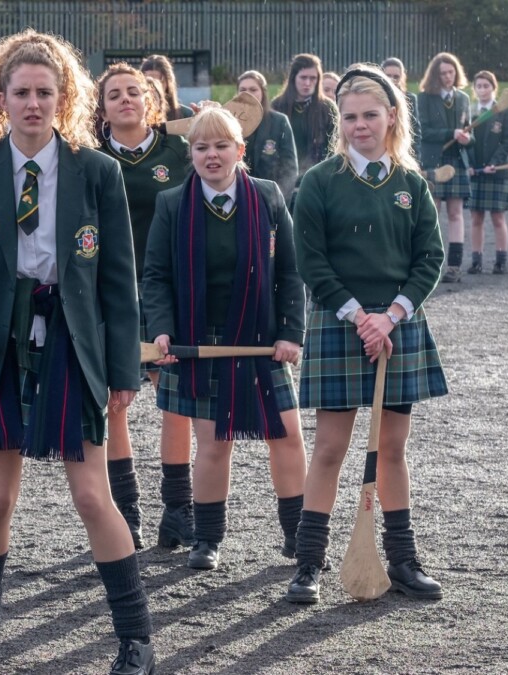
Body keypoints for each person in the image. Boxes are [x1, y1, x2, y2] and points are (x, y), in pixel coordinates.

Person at [0, 30, 155, 675]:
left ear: (64, 99)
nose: (33, 103)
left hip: (70, 336)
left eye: (44, 92)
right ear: (0, 98)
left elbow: (118, 279)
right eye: (21, 92)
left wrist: (123, 369)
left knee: (91, 496)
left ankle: (136, 638)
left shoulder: (97, 171)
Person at [287, 65, 448, 604]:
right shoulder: (320, 181)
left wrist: (391, 315)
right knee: (330, 448)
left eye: (370, 115)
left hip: (398, 325)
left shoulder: (411, 184)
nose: (360, 125)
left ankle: (402, 560)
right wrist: (360, 316)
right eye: (350, 116)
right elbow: (311, 261)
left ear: (392, 117)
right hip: (340, 322)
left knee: (392, 448)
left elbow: (430, 258)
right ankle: (308, 564)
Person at [141, 108, 306, 571]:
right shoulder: (172, 203)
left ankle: (298, 535)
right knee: (214, 443)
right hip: (200, 342)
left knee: (287, 435)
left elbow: (291, 271)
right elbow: (155, 276)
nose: (211, 155)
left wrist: (291, 332)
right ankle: (208, 538)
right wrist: (160, 328)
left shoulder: (268, 196)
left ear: (240, 150)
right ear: (190, 153)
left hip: (259, 338)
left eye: (221, 146)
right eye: (201, 147)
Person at [94, 62, 191, 551]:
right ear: (102, 108)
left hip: (168, 291)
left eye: (134, 91)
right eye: (114, 94)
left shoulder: (179, 149)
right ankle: (126, 513)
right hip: (110, 292)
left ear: (150, 101)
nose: (126, 99)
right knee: (115, 402)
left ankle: (178, 510)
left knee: (174, 398)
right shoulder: (88, 157)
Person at [417, 52, 472, 283]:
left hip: (457, 160)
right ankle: (427, 267)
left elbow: (469, 130)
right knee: (432, 213)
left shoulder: (463, 98)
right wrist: (451, 133)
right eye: (443, 73)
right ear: (435, 75)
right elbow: (423, 131)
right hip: (434, 160)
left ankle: (454, 267)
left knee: (456, 214)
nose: (448, 77)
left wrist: (467, 139)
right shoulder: (424, 98)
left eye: (451, 72)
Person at [462, 70, 508, 274]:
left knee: (498, 218)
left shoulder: (504, 111)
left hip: (496, 173)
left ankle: (501, 261)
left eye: (486, 86)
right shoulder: (470, 112)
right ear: (474, 89)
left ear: (494, 88)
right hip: (475, 172)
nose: (483, 90)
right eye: (479, 86)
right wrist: (469, 164)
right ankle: (476, 261)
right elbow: (465, 143)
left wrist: (494, 163)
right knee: (476, 218)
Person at [270, 54, 338, 201]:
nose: (307, 83)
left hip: (318, 183)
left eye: (313, 78)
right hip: (282, 184)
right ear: (293, 77)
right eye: (303, 77)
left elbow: (334, 149)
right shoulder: (277, 106)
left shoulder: (327, 108)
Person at [236, 70, 299, 199]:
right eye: (243, 90)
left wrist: (278, 199)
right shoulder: (230, 122)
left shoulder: (279, 122)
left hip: (270, 197)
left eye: (253, 89)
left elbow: (290, 168)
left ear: (263, 93)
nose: (247, 94)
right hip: (238, 196)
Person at [382, 57, 421, 157]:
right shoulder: (374, 96)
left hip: (402, 150)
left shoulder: (410, 98)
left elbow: (415, 130)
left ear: (401, 78)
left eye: (396, 77)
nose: (392, 79)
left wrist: (416, 157)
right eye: (388, 76)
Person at [141, 54, 193, 121]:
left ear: (168, 83)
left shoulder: (186, 115)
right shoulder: (134, 114)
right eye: (149, 82)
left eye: (159, 82)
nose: (154, 87)